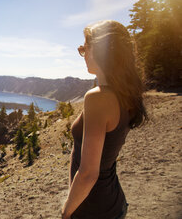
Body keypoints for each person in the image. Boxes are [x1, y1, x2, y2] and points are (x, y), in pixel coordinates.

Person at [61, 20, 148, 219]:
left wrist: (66, 212)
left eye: (85, 47)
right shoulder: (125, 94)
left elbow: (88, 173)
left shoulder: (98, 98)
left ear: (100, 50)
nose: (83, 53)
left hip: (93, 209)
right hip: (112, 201)